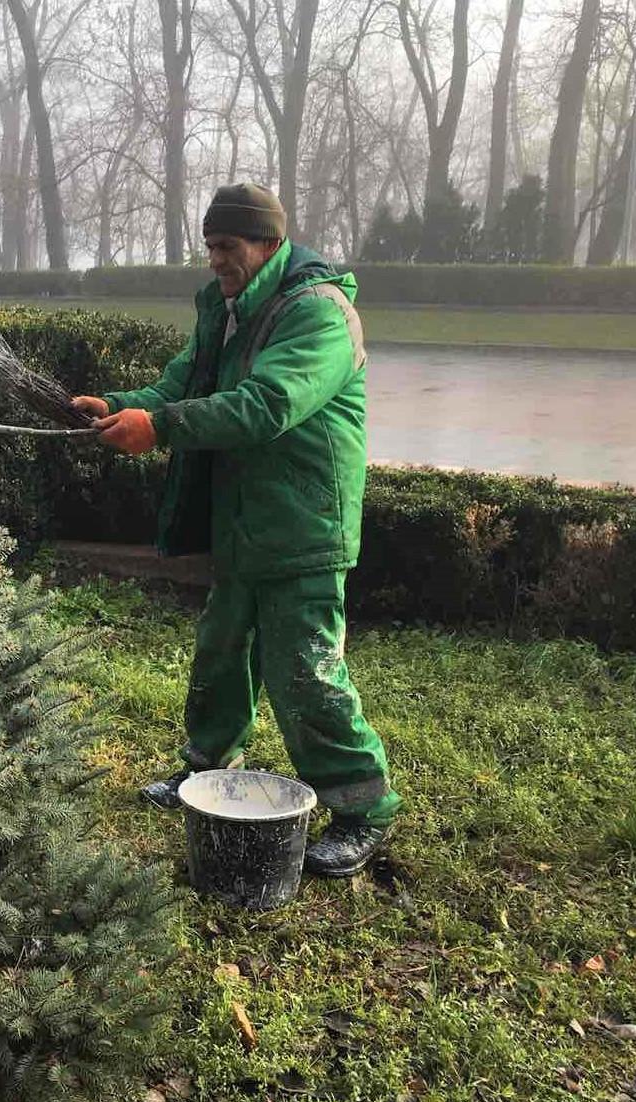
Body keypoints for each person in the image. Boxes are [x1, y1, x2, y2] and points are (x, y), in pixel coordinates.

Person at [72, 183, 401, 878]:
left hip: (305, 521)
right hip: (244, 521)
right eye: (210, 247)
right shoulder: (223, 309)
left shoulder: (318, 314)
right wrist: (123, 406)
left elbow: (267, 405)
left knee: (303, 673)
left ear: (269, 244)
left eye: (227, 247)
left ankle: (362, 812)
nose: (215, 261)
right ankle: (206, 767)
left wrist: (158, 428)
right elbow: (182, 384)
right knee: (221, 651)